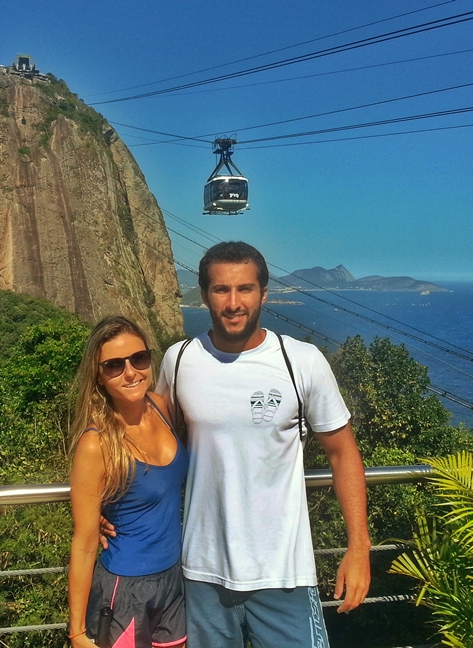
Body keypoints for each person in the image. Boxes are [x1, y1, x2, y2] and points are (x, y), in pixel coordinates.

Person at [104, 241, 370, 647]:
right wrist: (102, 506)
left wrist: (359, 546)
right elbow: (145, 440)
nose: (233, 302)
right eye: (221, 290)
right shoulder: (181, 360)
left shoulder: (301, 361)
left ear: (263, 293)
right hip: (201, 575)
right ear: (205, 294)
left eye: (245, 289)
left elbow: (343, 452)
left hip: (284, 575)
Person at [68, 316, 188, 648]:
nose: (131, 372)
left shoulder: (161, 407)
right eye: (114, 366)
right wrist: (76, 630)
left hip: (175, 579)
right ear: (99, 376)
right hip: (125, 588)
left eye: (139, 358)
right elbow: (84, 542)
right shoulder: (97, 444)